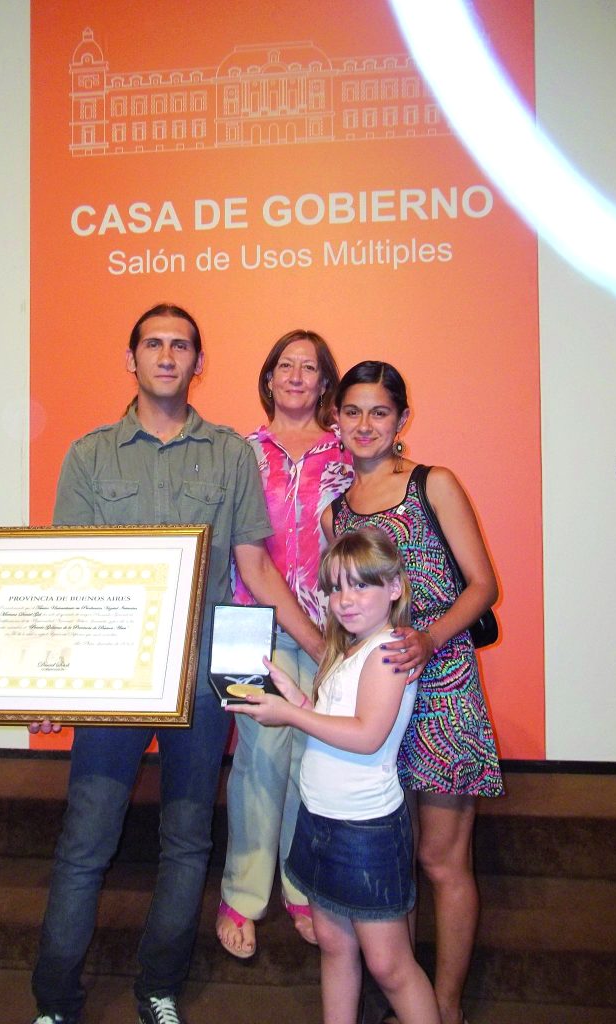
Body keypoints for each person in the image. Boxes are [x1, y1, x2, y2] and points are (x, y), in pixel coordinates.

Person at [29, 304, 325, 1024]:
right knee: (85, 843)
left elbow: (253, 564)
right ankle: (55, 1003)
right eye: (154, 344)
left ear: (199, 363)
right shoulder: (89, 455)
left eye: (181, 346)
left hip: (202, 676)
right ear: (131, 359)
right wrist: (50, 676)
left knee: (188, 841)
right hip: (110, 681)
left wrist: (323, 648)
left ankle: (158, 989)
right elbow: (65, 572)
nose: (167, 355)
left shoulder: (229, 454)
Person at [322, 361, 503, 1024]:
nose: (365, 424)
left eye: (379, 412)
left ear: (401, 420)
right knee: (389, 848)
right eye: (352, 411)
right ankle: (405, 987)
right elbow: (344, 617)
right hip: (375, 703)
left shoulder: (435, 485)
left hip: (443, 690)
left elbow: (482, 584)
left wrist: (428, 639)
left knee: (440, 856)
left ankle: (445, 1007)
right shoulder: (334, 512)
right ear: (335, 419)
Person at [229, 529, 441, 1024]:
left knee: (390, 966)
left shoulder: (389, 651)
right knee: (334, 946)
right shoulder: (348, 650)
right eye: (335, 588)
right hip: (320, 819)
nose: (345, 601)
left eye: (361, 586)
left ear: (394, 588)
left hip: (365, 830)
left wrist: (291, 715)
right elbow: (334, 722)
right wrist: (295, 699)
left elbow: (367, 735)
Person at [216, 329, 353, 959]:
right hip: (250, 627)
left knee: (311, 760)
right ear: (268, 378)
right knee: (256, 760)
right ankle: (243, 894)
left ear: (326, 383)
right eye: (285, 366)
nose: (297, 376)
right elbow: (241, 557)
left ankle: (302, 889)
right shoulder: (238, 453)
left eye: (311, 367)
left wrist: (339, 639)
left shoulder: (348, 453)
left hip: (335, 629)